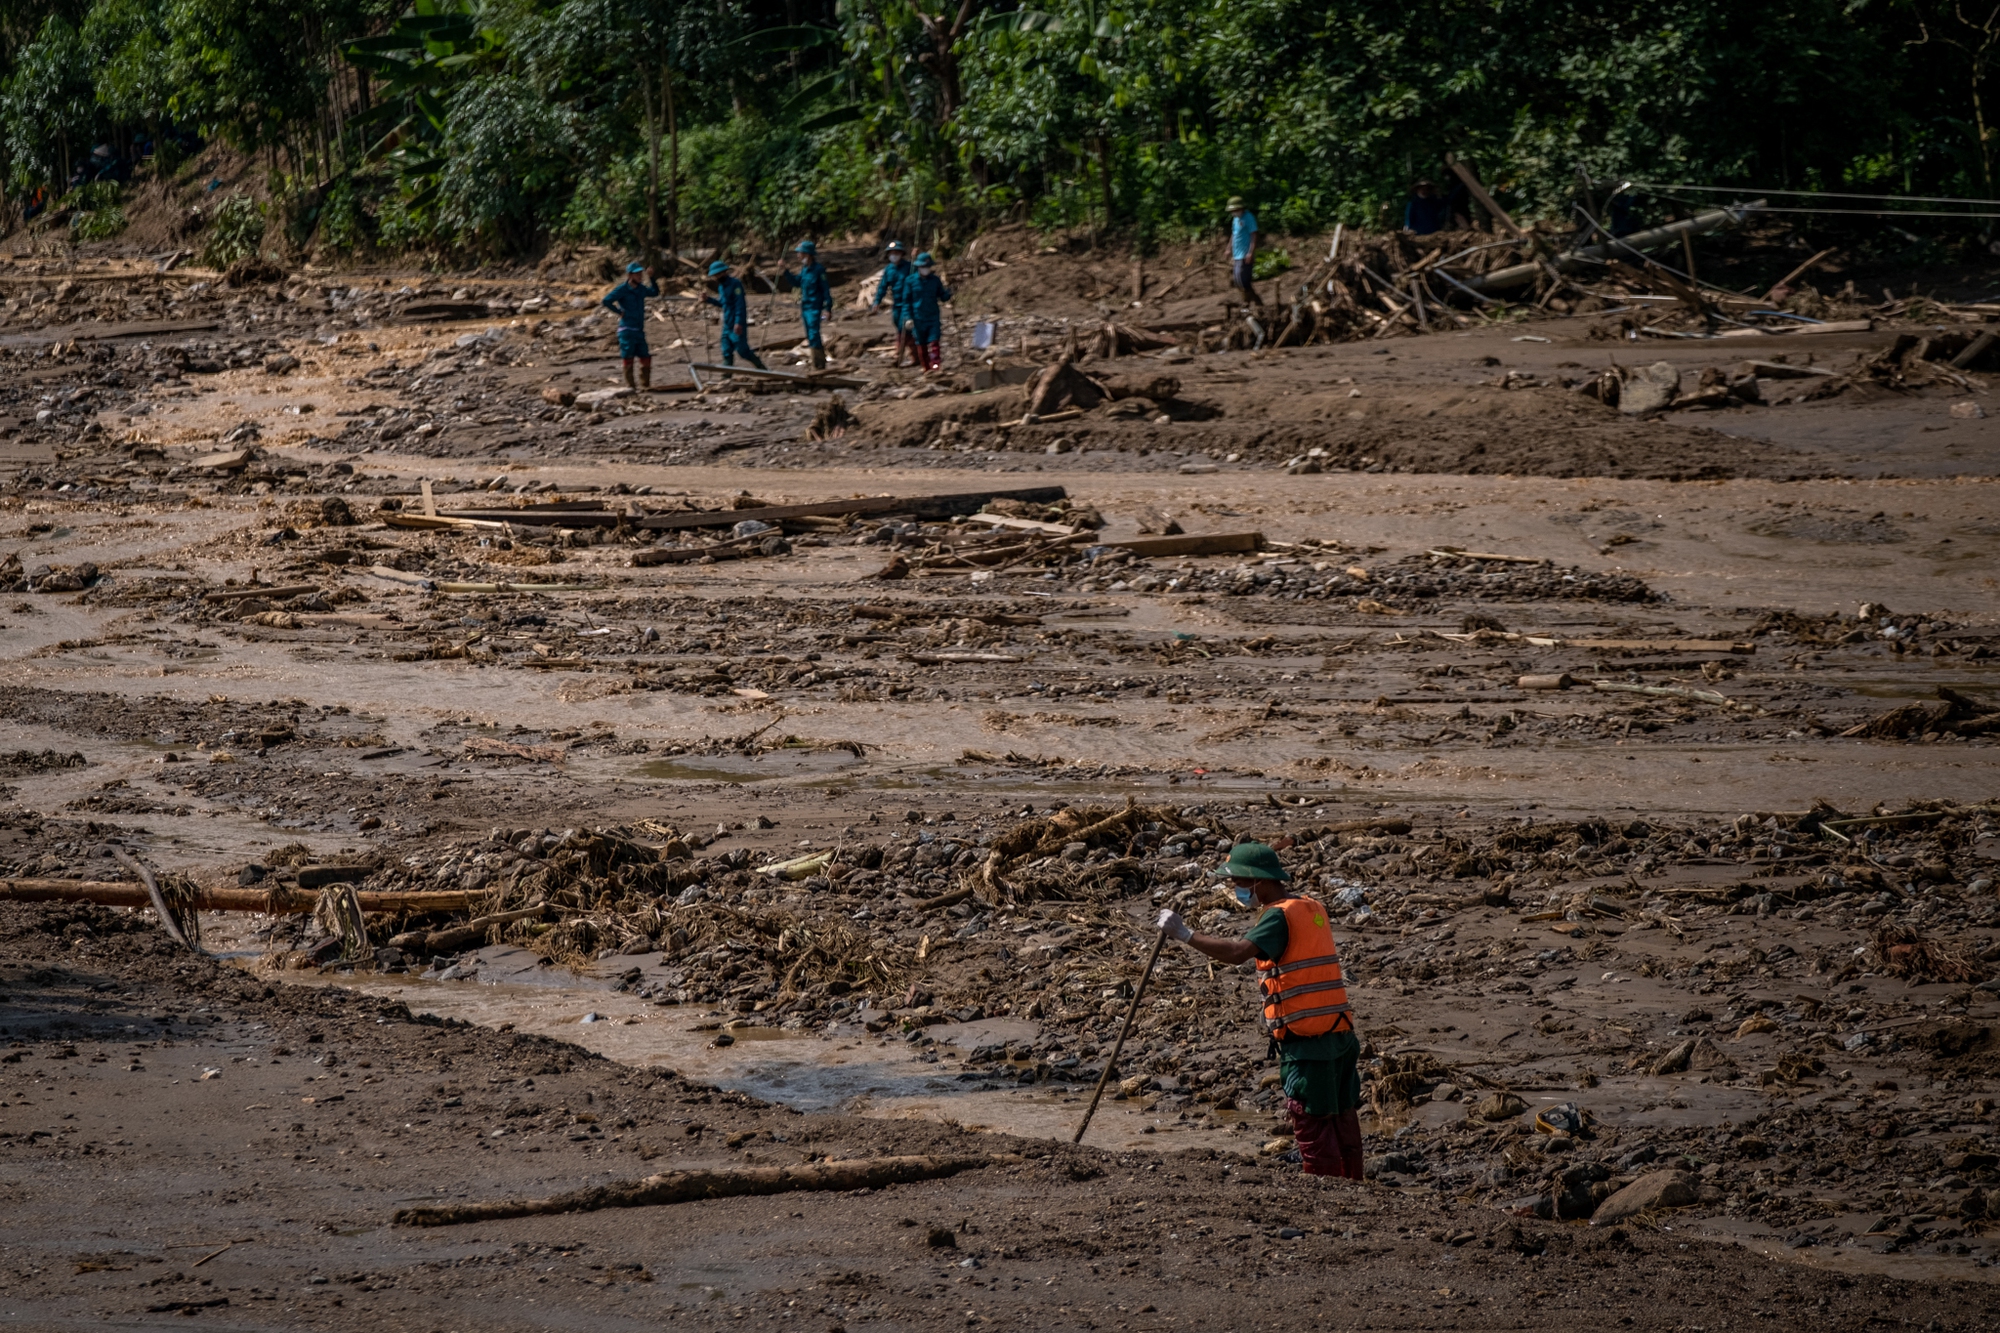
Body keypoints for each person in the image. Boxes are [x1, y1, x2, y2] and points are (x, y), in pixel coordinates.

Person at [1156, 841, 1364, 1179]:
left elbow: (1239, 952)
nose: (1236, 889)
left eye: (1239, 882)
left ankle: (1326, 1189)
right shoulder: (1311, 907)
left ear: (1259, 881)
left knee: (1311, 1118)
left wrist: (1185, 934)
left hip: (1308, 1041)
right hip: (1339, 1031)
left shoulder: (1278, 916)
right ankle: (1354, 1183)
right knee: (1341, 1114)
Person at [600, 261, 659, 390]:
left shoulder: (641, 289)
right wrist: (619, 312)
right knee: (628, 357)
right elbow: (606, 300)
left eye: (641, 274)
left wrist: (652, 277)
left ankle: (645, 385)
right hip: (627, 329)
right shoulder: (622, 289)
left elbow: (655, 292)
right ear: (629, 275)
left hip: (639, 329)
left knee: (645, 356)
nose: (640, 276)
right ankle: (630, 386)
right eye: (637, 274)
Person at [779, 240, 834, 371]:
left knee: (814, 334)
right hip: (805, 308)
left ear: (807, 255)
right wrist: (785, 270)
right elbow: (797, 283)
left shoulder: (818, 270)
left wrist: (828, 308)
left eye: (800, 253)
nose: (798, 256)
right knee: (810, 335)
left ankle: (819, 364)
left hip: (815, 308)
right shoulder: (804, 270)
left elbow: (825, 290)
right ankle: (816, 362)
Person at [704, 259, 765, 370]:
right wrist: (708, 299)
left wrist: (738, 323)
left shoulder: (735, 284)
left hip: (737, 323)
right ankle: (726, 377)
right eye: (714, 276)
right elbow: (722, 303)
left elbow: (740, 305)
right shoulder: (721, 287)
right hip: (727, 324)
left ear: (724, 272)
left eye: (717, 275)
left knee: (743, 351)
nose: (716, 278)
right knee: (726, 351)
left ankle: (763, 369)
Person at [899, 252, 952, 373]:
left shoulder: (935, 280)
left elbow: (942, 296)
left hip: (932, 316)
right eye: (923, 267)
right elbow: (906, 301)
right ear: (918, 267)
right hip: (917, 318)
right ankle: (926, 367)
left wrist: (949, 293)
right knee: (921, 343)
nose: (925, 269)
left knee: (934, 341)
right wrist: (907, 317)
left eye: (927, 267)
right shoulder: (910, 281)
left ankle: (936, 365)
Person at [870, 240, 916, 367]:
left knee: (904, 328)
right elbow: (882, 287)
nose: (894, 255)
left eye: (897, 253)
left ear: (901, 254)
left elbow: (920, 276)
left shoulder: (910, 267)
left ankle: (899, 355)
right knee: (901, 327)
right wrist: (877, 302)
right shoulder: (888, 270)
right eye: (892, 253)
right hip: (897, 305)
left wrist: (915, 258)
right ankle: (914, 355)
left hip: (909, 304)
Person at [1226, 197, 1260, 304]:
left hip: (1245, 253)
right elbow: (1234, 235)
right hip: (1237, 254)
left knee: (1243, 279)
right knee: (1237, 279)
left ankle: (1247, 303)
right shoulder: (1235, 220)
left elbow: (1253, 235)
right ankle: (1255, 301)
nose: (1233, 212)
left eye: (1235, 210)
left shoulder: (1248, 218)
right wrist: (1228, 249)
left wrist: (1250, 252)